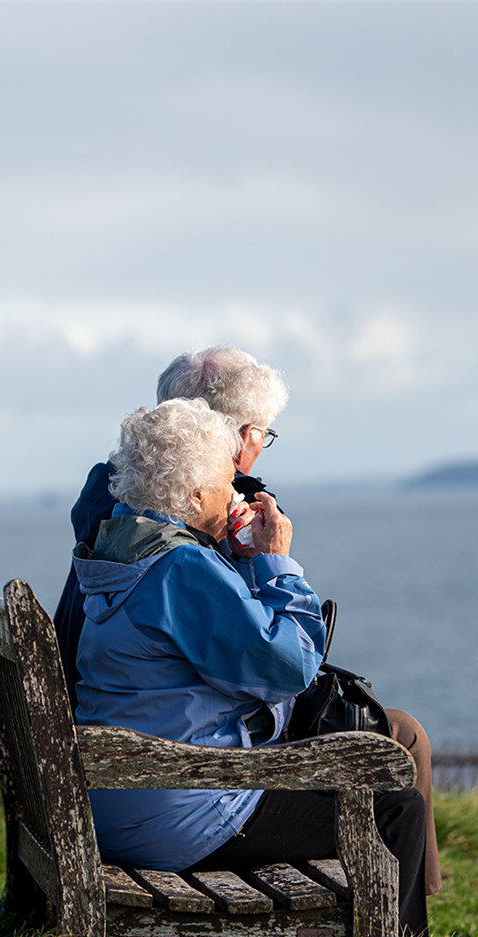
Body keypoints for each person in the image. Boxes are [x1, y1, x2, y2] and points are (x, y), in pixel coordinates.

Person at [54, 345, 442, 898]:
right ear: (200, 480)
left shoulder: (117, 529)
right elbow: (283, 671)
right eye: (257, 435)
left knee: (383, 751)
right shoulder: (180, 564)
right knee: (391, 796)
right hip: (178, 794)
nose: (238, 481)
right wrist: (274, 562)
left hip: (119, 765)